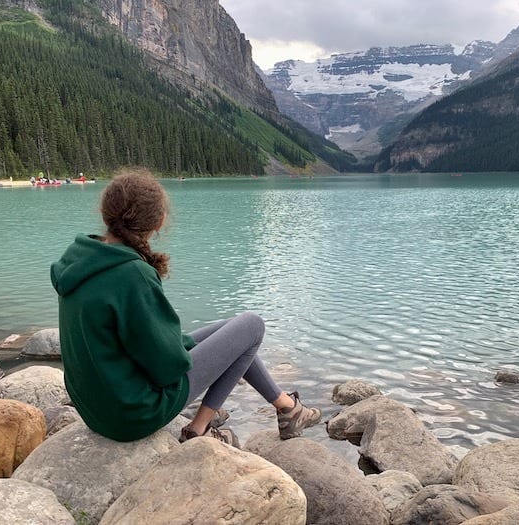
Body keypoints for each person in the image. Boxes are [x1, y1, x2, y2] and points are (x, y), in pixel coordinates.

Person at [50, 171, 321, 443]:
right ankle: (199, 428)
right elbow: (167, 368)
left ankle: (287, 407)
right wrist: (192, 352)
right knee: (252, 326)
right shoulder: (132, 274)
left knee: (231, 332)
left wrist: (196, 346)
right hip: (133, 415)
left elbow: (129, 344)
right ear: (160, 221)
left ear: (105, 212)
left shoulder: (80, 260)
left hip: (96, 411)